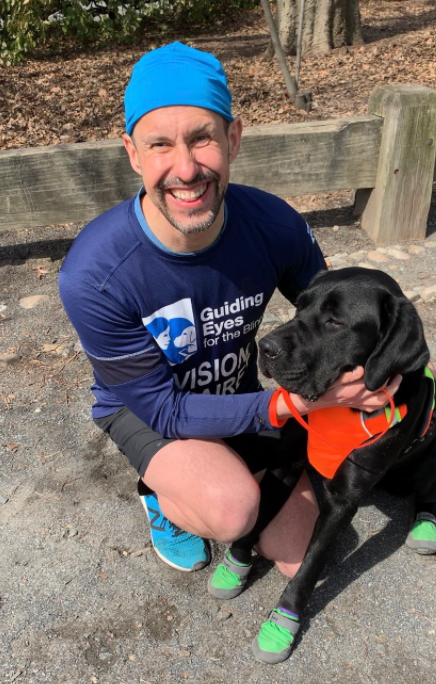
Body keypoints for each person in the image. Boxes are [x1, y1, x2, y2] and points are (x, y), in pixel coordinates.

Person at [59, 42, 401, 659]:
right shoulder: (95, 273)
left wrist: (397, 365)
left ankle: (255, 467)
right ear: (132, 152)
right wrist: (285, 409)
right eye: (160, 144)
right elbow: (164, 410)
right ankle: (161, 493)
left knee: (301, 556)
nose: (186, 168)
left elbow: (335, 315)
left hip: (237, 393)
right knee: (233, 508)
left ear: (235, 138)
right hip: (147, 411)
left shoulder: (274, 224)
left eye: (203, 138)